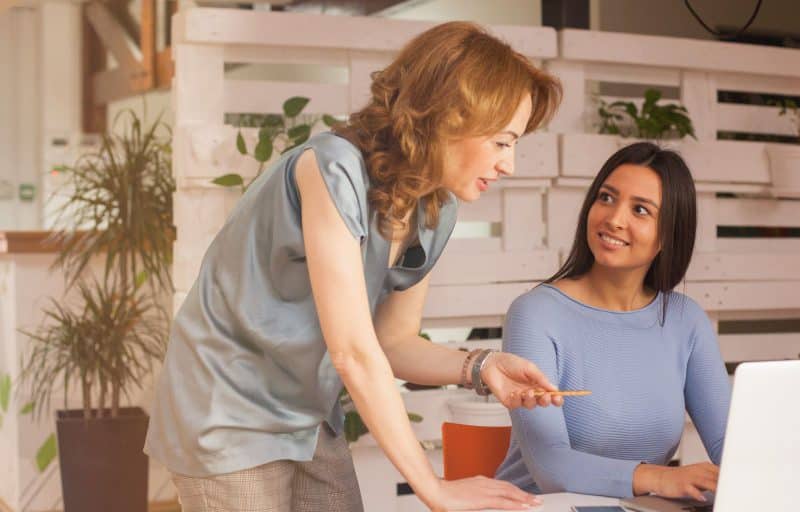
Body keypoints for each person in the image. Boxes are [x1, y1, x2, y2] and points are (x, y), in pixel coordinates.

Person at [145, 22, 564, 512]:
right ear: (450, 117)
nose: (509, 164)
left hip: (304, 413)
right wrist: (435, 487)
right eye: (501, 141)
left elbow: (393, 343)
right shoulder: (332, 167)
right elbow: (352, 352)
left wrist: (484, 367)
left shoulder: (436, 209)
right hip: (226, 409)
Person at [494, 143, 732, 502]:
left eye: (640, 210)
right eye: (606, 198)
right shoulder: (535, 313)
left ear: (668, 234)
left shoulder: (686, 321)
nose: (614, 218)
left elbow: (729, 444)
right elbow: (550, 466)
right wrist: (661, 478)